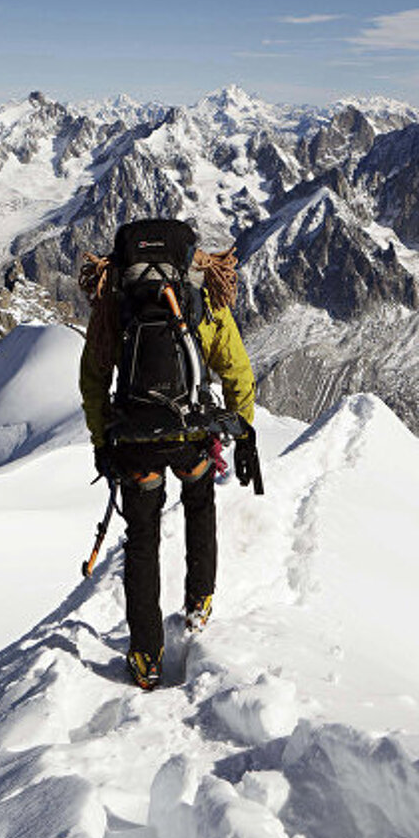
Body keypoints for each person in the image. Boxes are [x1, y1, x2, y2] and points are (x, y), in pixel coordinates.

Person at [79, 219, 256, 690]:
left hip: (135, 437)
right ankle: (199, 603)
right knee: (199, 502)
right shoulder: (199, 290)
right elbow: (235, 367)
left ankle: (145, 655)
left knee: (142, 538)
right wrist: (244, 427)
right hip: (188, 433)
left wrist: (101, 442)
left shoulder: (115, 294)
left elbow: (94, 379)